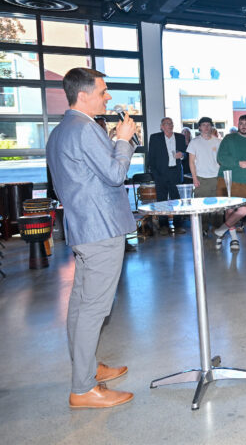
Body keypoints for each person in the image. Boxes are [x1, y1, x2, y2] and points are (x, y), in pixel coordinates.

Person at [46, 68, 136, 408]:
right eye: (102, 91)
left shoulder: (60, 131)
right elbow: (114, 175)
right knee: (94, 309)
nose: (108, 96)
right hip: (101, 229)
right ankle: (83, 388)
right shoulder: (85, 129)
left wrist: (113, 142)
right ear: (83, 95)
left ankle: (87, 367)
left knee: (81, 304)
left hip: (84, 227)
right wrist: (123, 140)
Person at [214, 114, 246, 250]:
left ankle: (221, 230)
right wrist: (238, 163)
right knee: (229, 210)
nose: (243, 126)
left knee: (243, 210)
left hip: (244, 179)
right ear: (238, 124)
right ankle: (234, 238)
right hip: (226, 177)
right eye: (241, 123)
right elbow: (220, 157)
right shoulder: (229, 138)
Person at [147, 117, 187, 235]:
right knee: (161, 200)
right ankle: (163, 226)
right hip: (160, 173)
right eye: (166, 123)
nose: (170, 125)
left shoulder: (180, 137)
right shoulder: (155, 138)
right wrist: (155, 174)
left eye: (171, 123)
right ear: (162, 126)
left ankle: (178, 225)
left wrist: (182, 155)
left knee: (177, 200)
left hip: (175, 173)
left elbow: (186, 154)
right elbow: (151, 157)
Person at [187, 116, 222, 233]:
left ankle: (218, 229)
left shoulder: (218, 142)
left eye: (208, 125)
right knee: (202, 206)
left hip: (216, 177)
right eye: (203, 125)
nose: (206, 127)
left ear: (211, 127)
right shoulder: (194, 142)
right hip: (201, 178)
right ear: (199, 128)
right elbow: (191, 162)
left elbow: (222, 160)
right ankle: (203, 229)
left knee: (218, 206)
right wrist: (194, 178)